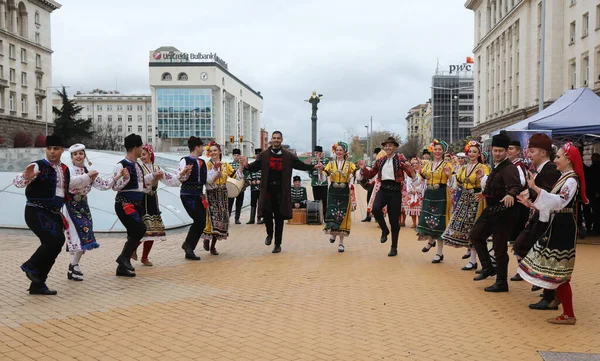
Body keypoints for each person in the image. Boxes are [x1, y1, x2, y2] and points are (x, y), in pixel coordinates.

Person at [517, 142, 588, 325]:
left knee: (561, 272)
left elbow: (560, 201)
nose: (555, 160)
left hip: (563, 227)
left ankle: (569, 314)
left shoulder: (571, 180)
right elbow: (553, 204)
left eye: (558, 157)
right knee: (559, 272)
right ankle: (563, 308)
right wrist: (532, 204)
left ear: (568, 159)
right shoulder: (565, 178)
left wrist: (536, 189)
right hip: (558, 224)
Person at [14, 135, 88, 295]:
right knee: (53, 240)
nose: (52, 152)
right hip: (36, 210)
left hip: (54, 213)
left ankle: (38, 283)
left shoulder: (65, 169)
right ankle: (31, 266)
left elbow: (69, 187)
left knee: (56, 243)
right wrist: (26, 177)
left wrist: (88, 178)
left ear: (62, 150)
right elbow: (18, 182)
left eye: (56, 148)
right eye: (49, 148)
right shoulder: (38, 165)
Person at [242, 131, 323, 253]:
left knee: (279, 218)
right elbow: (255, 166)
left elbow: (299, 165)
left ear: (281, 140)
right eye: (274, 138)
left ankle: (277, 244)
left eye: (278, 138)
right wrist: (246, 165)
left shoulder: (288, 156)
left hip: (281, 191)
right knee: (267, 215)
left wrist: (313, 167)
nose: (276, 140)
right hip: (268, 191)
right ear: (271, 140)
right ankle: (269, 234)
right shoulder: (264, 155)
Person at [509, 134, 561, 309]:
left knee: (540, 254)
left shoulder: (550, 170)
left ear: (543, 152)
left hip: (548, 220)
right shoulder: (540, 170)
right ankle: (544, 287)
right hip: (539, 217)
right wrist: (529, 200)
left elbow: (550, 197)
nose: (529, 155)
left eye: (532, 151)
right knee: (523, 246)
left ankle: (549, 295)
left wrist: (532, 198)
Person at [469, 131, 523, 292]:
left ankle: (501, 282)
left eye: (500, 151)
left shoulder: (509, 168)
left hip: (504, 214)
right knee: (475, 235)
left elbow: (516, 186)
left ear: (506, 152)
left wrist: (510, 194)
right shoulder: (497, 167)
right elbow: (495, 187)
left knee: (500, 248)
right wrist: (484, 194)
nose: (497, 153)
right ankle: (488, 267)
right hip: (491, 210)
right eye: (495, 150)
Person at [63, 143, 123, 281]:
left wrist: (118, 176)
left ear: (85, 155)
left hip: (83, 206)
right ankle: (74, 266)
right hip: (71, 206)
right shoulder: (69, 170)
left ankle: (74, 266)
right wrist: (88, 177)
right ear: (71, 157)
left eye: (81, 153)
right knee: (79, 235)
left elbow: (104, 185)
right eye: (75, 154)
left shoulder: (88, 171)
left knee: (85, 235)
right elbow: (71, 184)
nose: (78, 156)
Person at [112, 134, 163, 278]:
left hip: (136, 204)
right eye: (141, 147)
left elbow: (140, 184)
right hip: (124, 203)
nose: (142, 149)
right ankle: (123, 258)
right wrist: (124, 178)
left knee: (134, 232)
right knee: (140, 229)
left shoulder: (137, 165)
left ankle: (123, 265)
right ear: (135, 148)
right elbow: (115, 186)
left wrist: (153, 176)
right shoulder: (121, 165)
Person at [359, 137, 415, 257]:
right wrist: (364, 169)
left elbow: (410, 172)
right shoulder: (380, 160)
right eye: (386, 146)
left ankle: (394, 247)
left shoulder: (400, 159)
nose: (388, 148)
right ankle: (384, 229)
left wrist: (411, 170)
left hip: (395, 191)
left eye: (390, 146)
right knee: (375, 209)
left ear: (395, 147)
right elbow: (371, 174)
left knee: (394, 221)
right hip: (383, 188)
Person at [441, 141, 489, 270]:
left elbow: (487, 184)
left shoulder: (483, 167)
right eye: (470, 152)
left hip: (476, 199)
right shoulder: (462, 168)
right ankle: (472, 259)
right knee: (465, 228)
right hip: (464, 198)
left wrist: (482, 177)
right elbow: (455, 184)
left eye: (475, 152)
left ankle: (474, 261)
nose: (472, 154)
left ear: (479, 153)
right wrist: (449, 175)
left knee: (474, 228)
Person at [131, 144, 181, 267]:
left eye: (144, 155)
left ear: (150, 155)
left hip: (153, 200)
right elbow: (140, 182)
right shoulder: (139, 168)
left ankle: (144, 257)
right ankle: (132, 248)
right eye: (141, 155)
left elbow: (171, 180)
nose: (142, 157)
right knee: (143, 229)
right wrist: (153, 178)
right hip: (142, 200)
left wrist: (182, 175)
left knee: (153, 231)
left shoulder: (157, 168)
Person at [202, 142, 244, 255]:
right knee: (210, 218)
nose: (213, 153)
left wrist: (241, 165)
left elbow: (236, 176)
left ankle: (213, 246)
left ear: (219, 152)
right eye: (211, 151)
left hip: (222, 193)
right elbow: (206, 180)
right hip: (211, 193)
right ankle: (206, 239)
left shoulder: (225, 165)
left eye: (215, 150)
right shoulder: (206, 165)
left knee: (221, 219)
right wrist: (216, 173)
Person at [415, 139, 453, 263]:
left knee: (439, 221)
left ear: (443, 151)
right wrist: (412, 173)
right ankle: (431, 241)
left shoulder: (447, 165)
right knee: (428, 219)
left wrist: (449, 176)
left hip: (441, 193)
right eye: (435, 149)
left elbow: (453, 184)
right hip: (429, 193)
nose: (437, 151)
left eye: (440, 150)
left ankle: (439, 253)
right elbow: (419, 180)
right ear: (432, 151)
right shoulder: (427, 165)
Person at [322, 141, 359, 253]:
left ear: (344, 152)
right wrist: (320, 171)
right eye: (337, 150)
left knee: (343, 215)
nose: (338, 152)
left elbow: (357, 175)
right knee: (333, 213)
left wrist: (360, 170)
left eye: (340, 150)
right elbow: (323, 177)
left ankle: (341, 243)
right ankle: (333, 234)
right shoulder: (330, 164)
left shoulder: (350, 164)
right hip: (333, 191)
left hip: (344, 191)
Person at [178, 136, 206, 261]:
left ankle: (189, 247)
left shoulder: (202, 162)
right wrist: (185, 172)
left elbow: (206, 179)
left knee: (202, 221)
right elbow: (180, 177)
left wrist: (216, 172)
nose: (203, 149)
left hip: (199, 194)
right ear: (197, 147)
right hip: (188, 195)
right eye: (202, 146)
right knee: (199, 220)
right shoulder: (185, 160)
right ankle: (188, 246)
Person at [401, 158, 424, 229]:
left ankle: (420, 223)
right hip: (411, 193)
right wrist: (410, 190)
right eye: (413, 163)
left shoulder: (421, 172)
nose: (414, 165)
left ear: (419, 164)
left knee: (419, 210)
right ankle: (414, 223)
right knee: (412, 210)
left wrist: (418, 190)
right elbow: (408, 182)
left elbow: (422, 183)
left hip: (418, 193)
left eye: (416, 163)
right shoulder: (409, 173)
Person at [360, 148, 381, 222]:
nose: (374, 155)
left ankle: (377, 217)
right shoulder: (374, 162)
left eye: (375, 154)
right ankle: (368, 216)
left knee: (376, 201)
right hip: (371, 184)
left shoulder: (380, 162)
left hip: (377, 184)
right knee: (369, 200)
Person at [309, 145, 329, 216]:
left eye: (317, 152)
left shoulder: (326, 160)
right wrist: (314, 175)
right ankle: (318, 216)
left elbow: (327, 170)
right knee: (316, 200)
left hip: (323, 183)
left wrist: (319, 161)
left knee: (324, 200)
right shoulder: (312, 161)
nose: (316, 154)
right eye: (315, 153)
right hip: (315, 183)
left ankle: (325, 216)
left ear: (321, 153)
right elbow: (310, 172)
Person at [245, 148, 264, 224]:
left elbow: (267, 175)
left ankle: (259, 218)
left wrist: (261, 180)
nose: (258, 156)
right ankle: (251, 219)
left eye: (259, 155)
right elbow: (247, 172)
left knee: (261, 203)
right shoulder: (252, 164)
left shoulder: (264, 165)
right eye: (257, 154)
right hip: (253, 187)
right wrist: (249, 180)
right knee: (253, 203)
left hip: (262, 188)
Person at [227, 148, 245, 225]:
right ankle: (228, 218)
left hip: (241, 187)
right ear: (232, 156)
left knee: (239, 204)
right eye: (235, 155)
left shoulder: (243, 165)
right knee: (229, 204)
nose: (236, 157)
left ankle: (237, 219)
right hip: (231, 186)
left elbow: (245, 176)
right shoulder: (229, 165)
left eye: (238, 155)